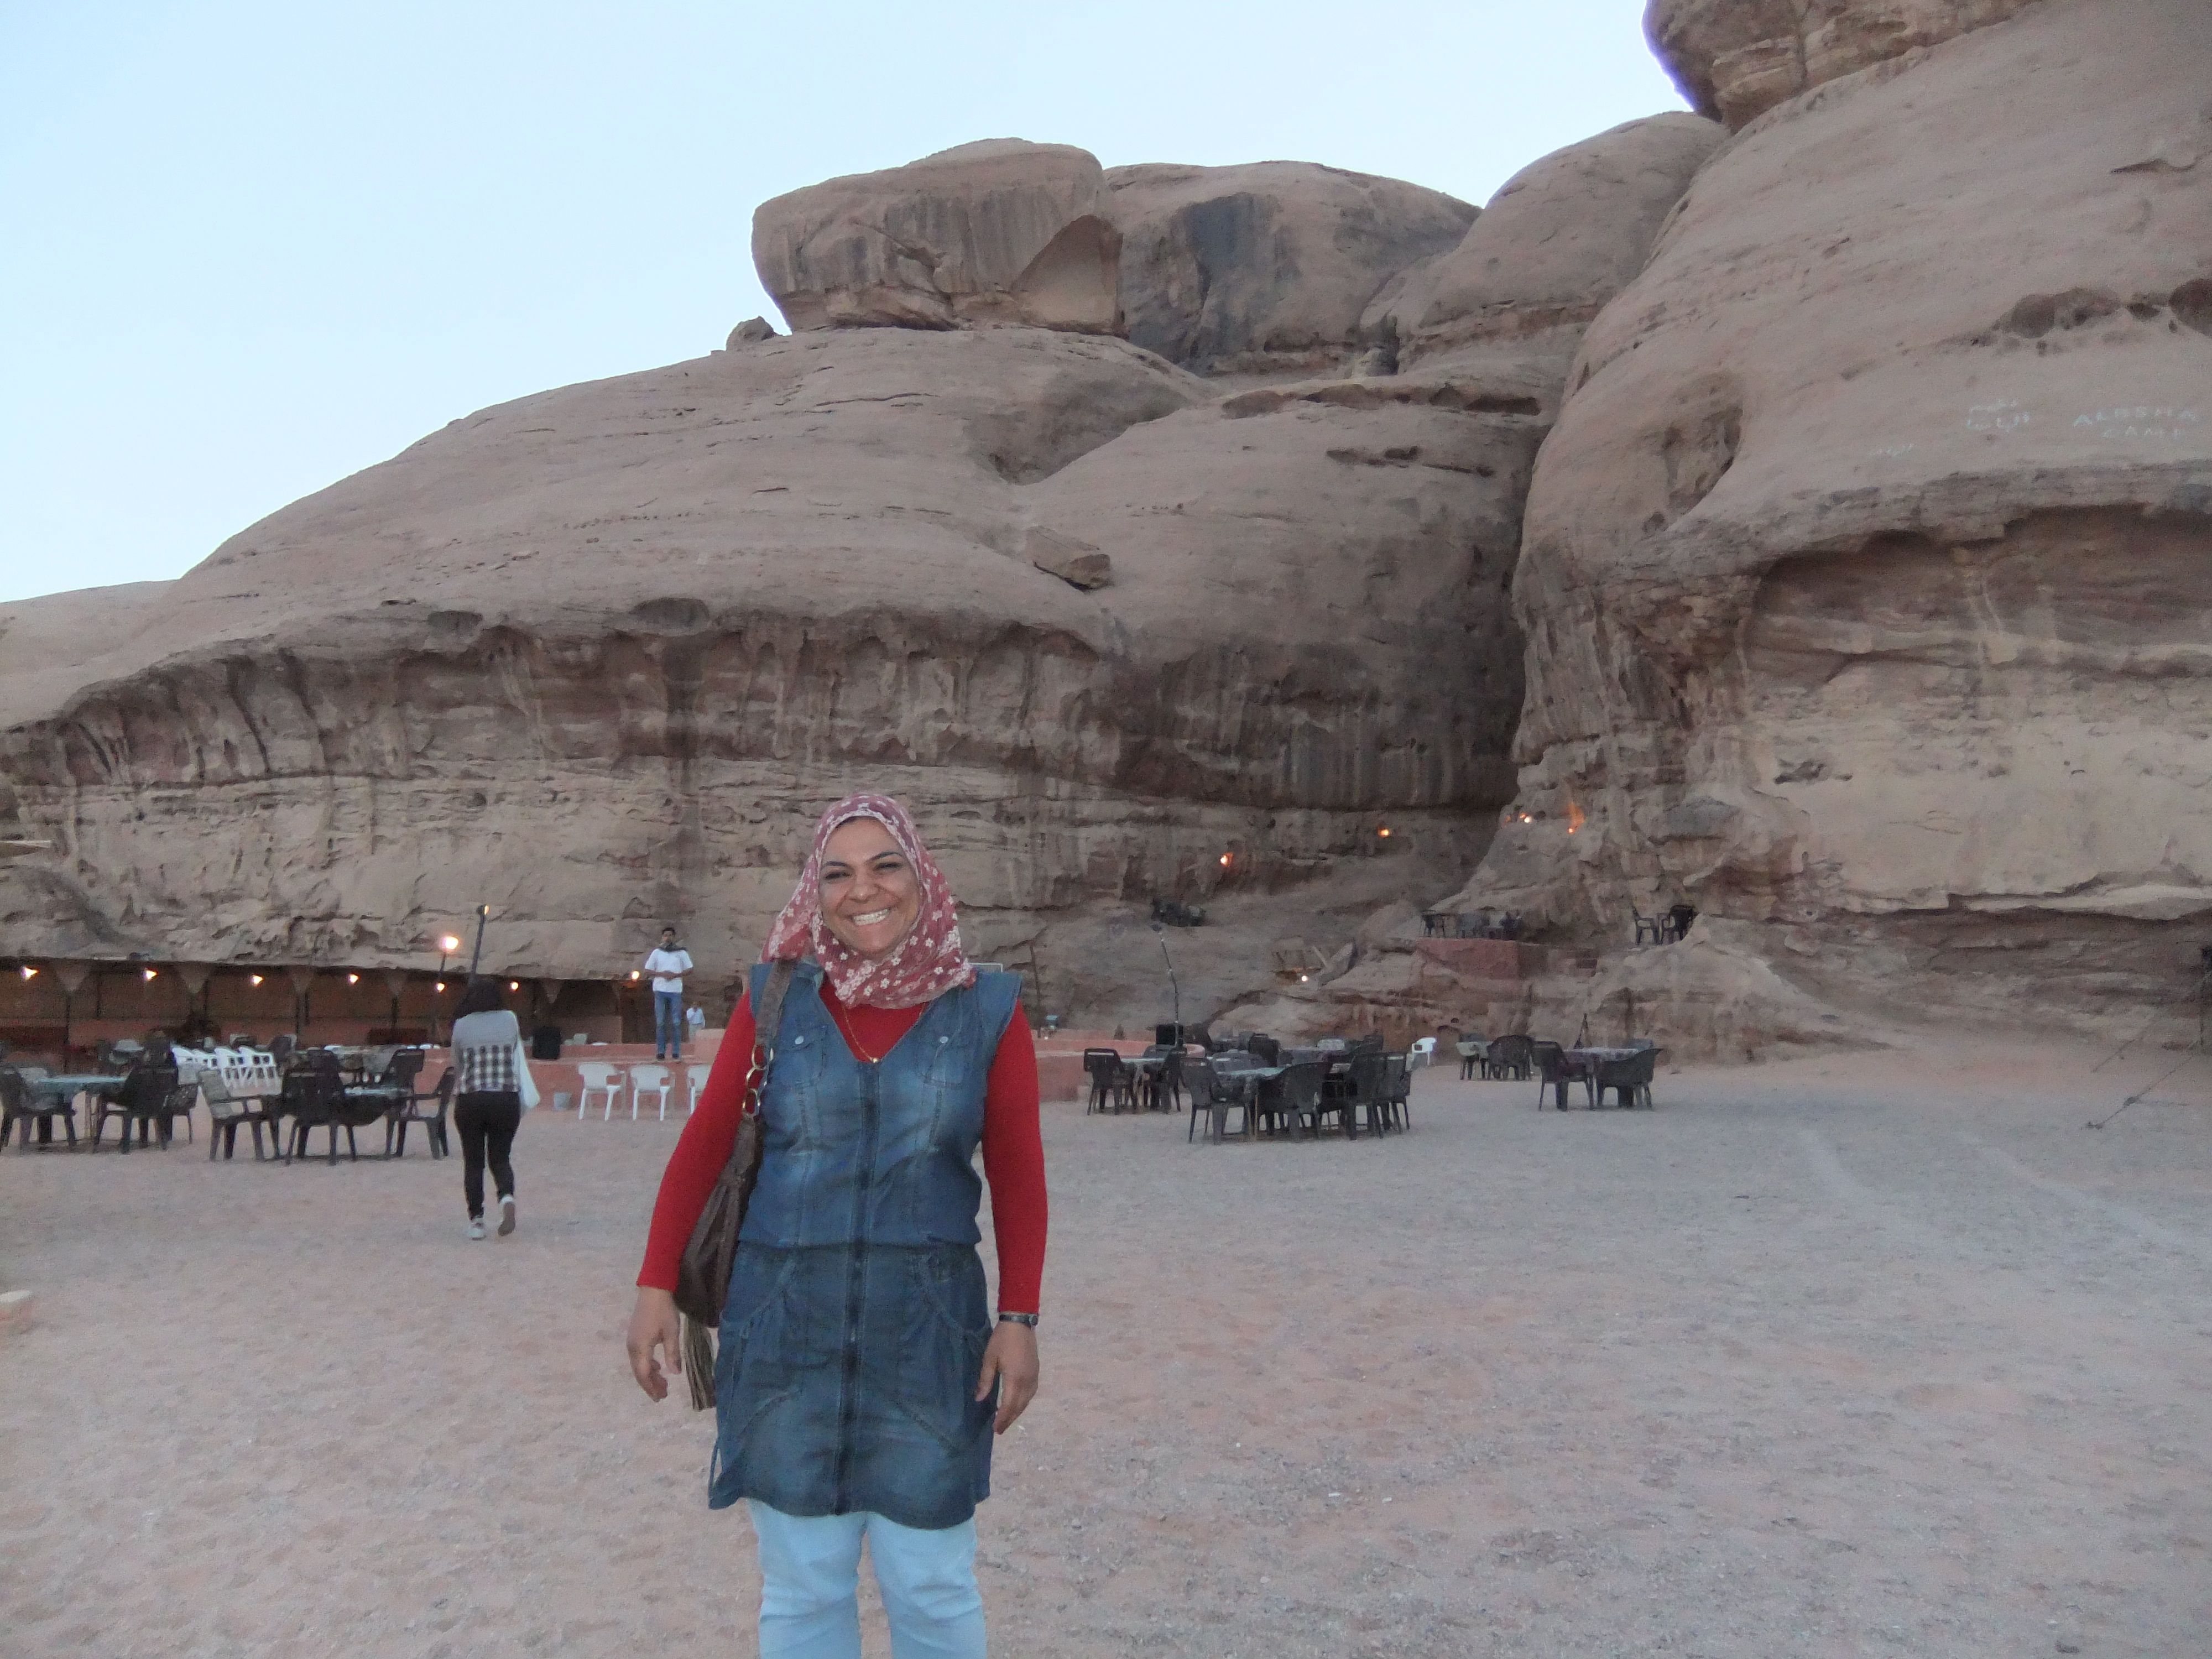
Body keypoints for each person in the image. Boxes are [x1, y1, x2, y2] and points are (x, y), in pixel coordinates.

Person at [626, 792, 1047, 1659]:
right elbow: (705, 1144)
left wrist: (1020, 1316)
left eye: (886, 866)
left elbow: (1018, 1174)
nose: (865, 891)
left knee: (931, 1586)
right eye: (838, 874)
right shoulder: (775, 999)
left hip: (928, 1336)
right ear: (813, 892)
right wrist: (655, 1284)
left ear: (921, 876)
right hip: (784, 1329)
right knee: (804, 1589)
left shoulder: (989, 1011)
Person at [447, 977, 536, 1240]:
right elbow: (515, 1052)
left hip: (472, 1098)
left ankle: (477, 1221)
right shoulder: (510, 1019)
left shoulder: (462, 1025)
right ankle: (506, 1198)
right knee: (500, 1158)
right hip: (505, 1098)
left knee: (473, 1162)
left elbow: (458, 1064)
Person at [643, 926, 695, 1060]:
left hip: (675, 990)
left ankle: (676, 1052)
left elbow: (690, 969)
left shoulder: (681, 953)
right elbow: (647, 970)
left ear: (674, 937)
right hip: (660, 990)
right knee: (661, 1022)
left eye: (670, 935)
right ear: (662, 938)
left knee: (676, 1022)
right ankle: (661, 1051)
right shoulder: (657, 952)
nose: (668, 938)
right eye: (666, 936)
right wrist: (662, 974)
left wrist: (676, 975)